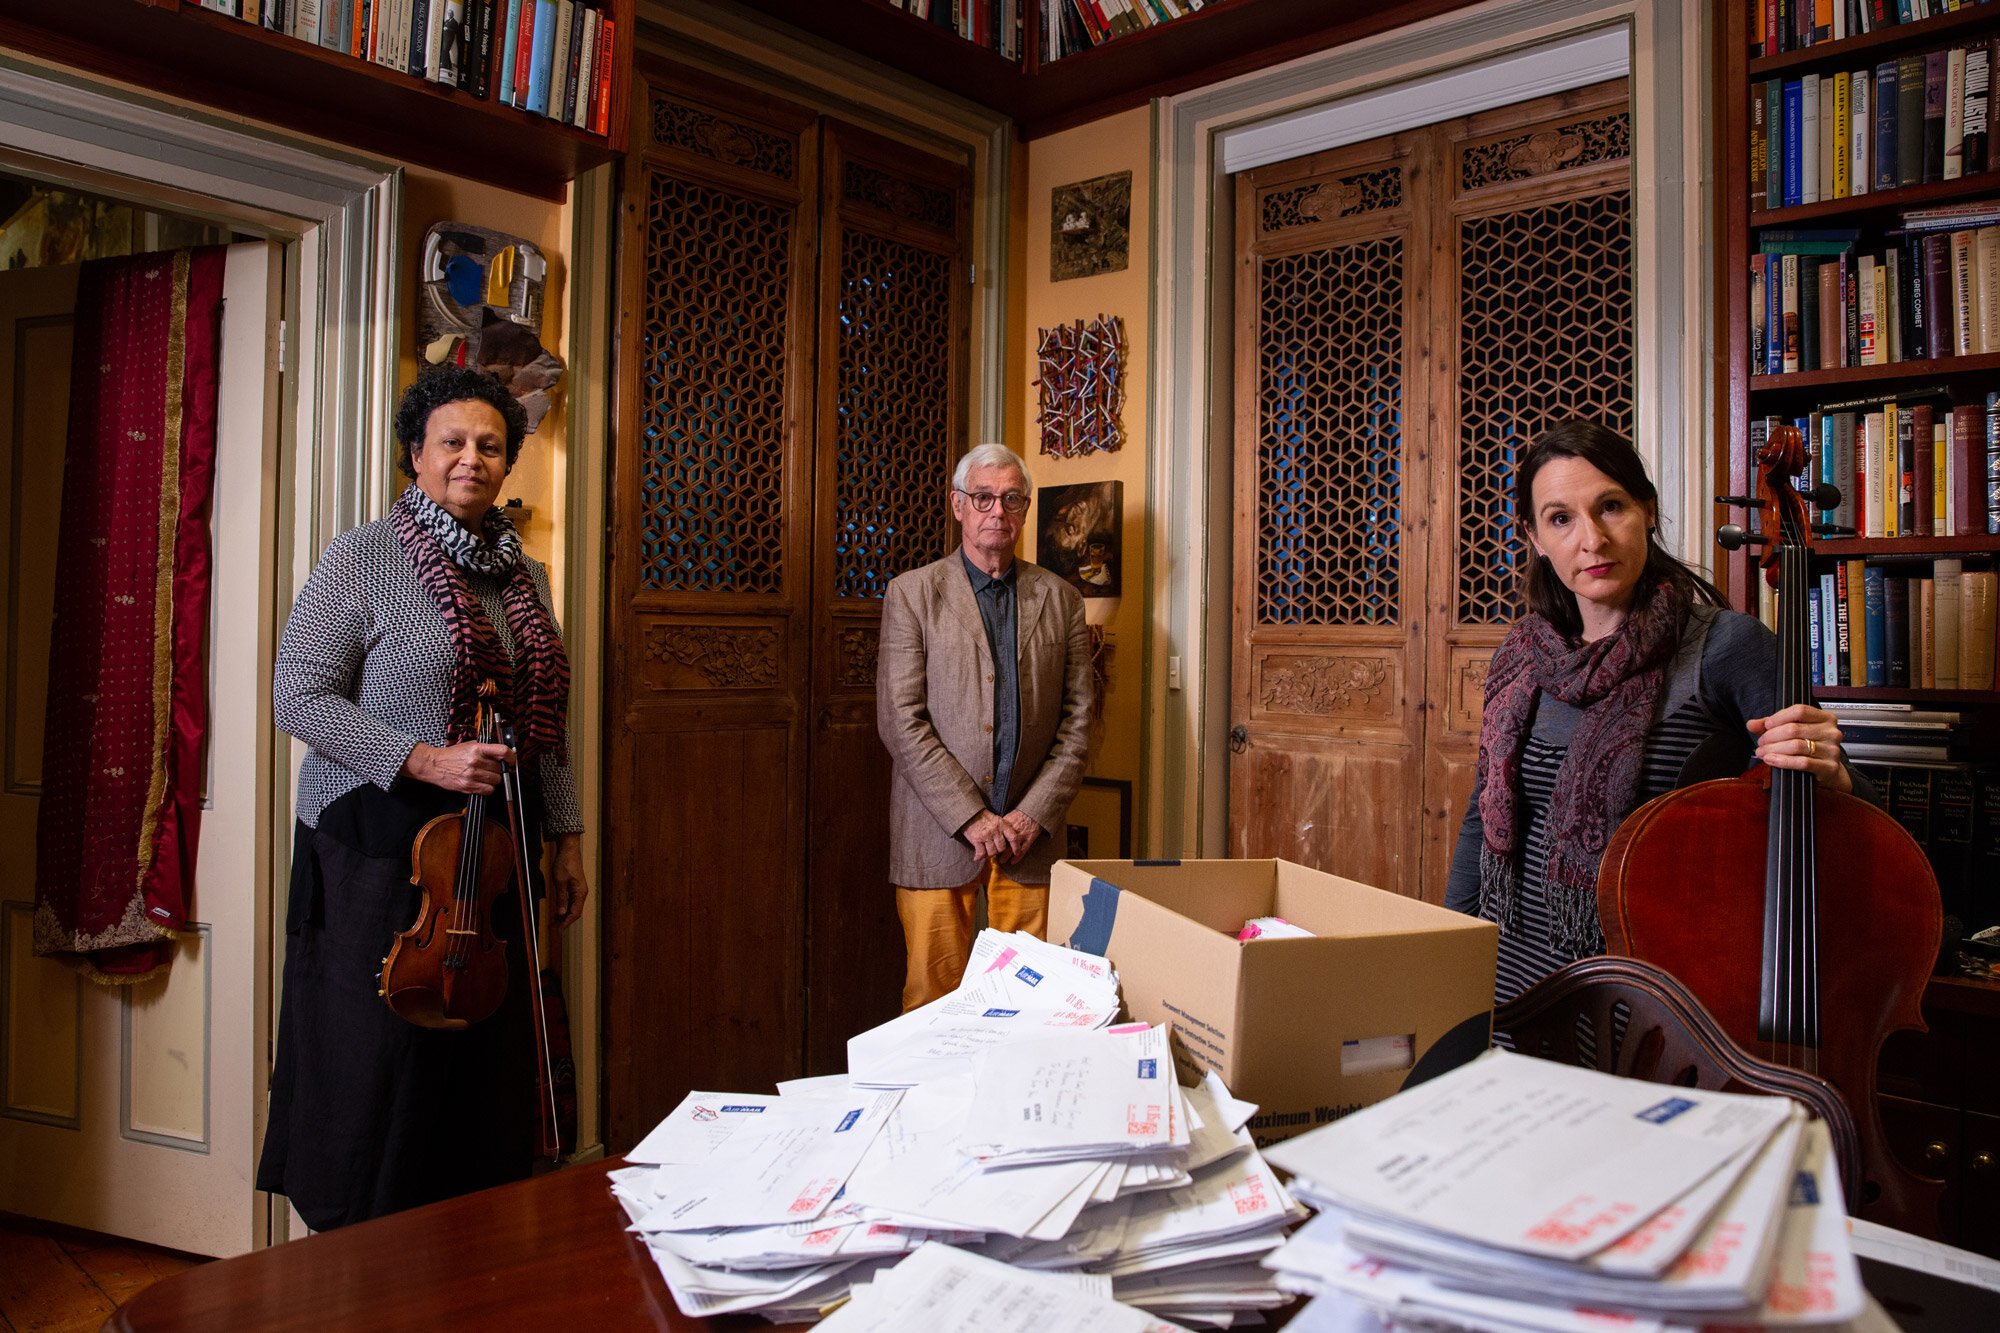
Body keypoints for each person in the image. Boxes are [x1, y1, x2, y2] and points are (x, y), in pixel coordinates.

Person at [257, 364, 587, 1229]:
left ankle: (459, 1263)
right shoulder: (362, 556)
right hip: (375, 842)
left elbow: (544, 720)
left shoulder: (530, 579)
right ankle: (360, 1267)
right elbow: (297, 693)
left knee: (478, 1067)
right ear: (416, 453)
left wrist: (569, 837)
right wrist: (423, 759)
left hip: (491, 850)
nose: (471, 458)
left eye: (489, 444)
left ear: (508, 463)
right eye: (453, 441)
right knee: (377, 1068)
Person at [1445, 419, 1867, 1006]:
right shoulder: (1521, 659)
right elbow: (1481, 821)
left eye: (1610, 506)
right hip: (1512, 986)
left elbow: (1860, 815)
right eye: (1560, 518)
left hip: (1650, 1003)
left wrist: (1832, 771)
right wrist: (1445, 966)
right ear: (1536, 539)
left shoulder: (1726, 648)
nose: (1591, 539)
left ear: (1647, 510)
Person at [878, 443, 1096, 1011]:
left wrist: (1032, 814)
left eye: (1011, 499)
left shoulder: (1063, 600)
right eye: (983, 498)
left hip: (1031, 840)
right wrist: (971, 816)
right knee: (931, 1000)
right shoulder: (912, 594)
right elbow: (900, 720)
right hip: (937, 835)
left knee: (1033, 1003)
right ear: (958, 505)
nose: (997, 511)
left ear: (1024, 510)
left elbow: (1078, 724)